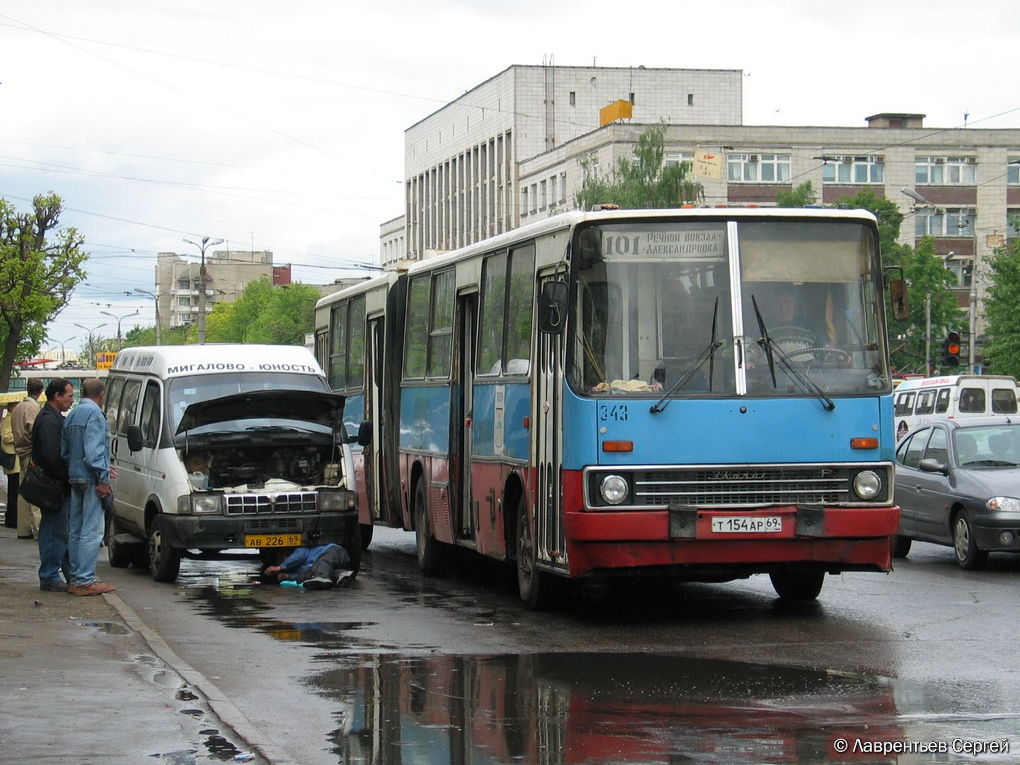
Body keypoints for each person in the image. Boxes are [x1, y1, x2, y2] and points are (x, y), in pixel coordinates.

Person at [61, 378, 116, 596]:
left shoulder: (73, 414)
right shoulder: (94, 414)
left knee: (75, 529)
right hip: (92, 479)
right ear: (101, 394)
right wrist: (104, 477)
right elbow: (94, 451)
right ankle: (85, 580)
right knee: (92, 530)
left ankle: (75, 578)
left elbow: (65, 451)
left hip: (75, 476)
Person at [32, 379, 75, 592]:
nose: (71, 400)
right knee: (54, 531)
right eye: (69, 396)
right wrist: (66, 476)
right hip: (53, 485)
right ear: (57, 396)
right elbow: (52, 456)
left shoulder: (51, 417)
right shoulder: (49, 420)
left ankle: (70, 575)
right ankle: (49, 576)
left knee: (60, 531)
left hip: (55, 484)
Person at [11, 378, 44, 539]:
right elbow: (34, 429)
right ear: (40, 391)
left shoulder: (18, 408)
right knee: (35, 489)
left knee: (23, 490)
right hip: (31, 452)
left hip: (20, 451)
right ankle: (38, 528)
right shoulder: (32, 408)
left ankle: (23, 528)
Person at [262, 543, 355, 590]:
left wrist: (280, 568)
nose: (282, 560)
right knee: (316, 573)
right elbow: (307, 573)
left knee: (323, 564)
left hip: (334, 552)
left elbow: (298, 557)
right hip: (335, 565)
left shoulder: (301, 549)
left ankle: (322, 577)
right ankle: (342, 575)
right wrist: (288, 576)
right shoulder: (300, 568)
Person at [2, 401, 20, 529]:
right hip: (12, 459)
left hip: (14, 459)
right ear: (11, 407)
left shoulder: (12, 418)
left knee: (14, 490)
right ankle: (12, 518)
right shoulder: (8, 419)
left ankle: (12, 517)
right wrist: (18, 436)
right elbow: (6, 437)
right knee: (14, 491)